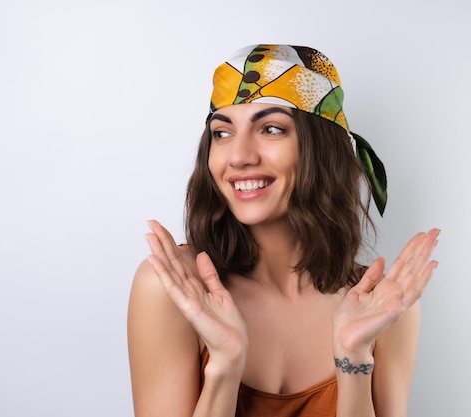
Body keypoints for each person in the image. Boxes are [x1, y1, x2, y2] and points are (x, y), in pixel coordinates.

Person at [127, 44, 440, 417]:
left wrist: (353, 360)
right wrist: (224, 366)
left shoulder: (383, 307)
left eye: (271, 129)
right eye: (222, 133)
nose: (239, 156)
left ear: (320, 149)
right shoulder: (176, 289)